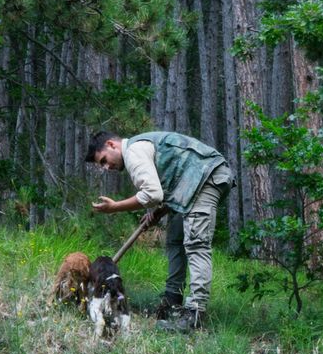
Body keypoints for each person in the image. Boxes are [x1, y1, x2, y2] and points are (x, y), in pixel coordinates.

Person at [85, 130, 233, 330]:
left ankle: (194, 315)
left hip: (206, 176)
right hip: (191, 183)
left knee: (196, 244)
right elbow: (164, 188)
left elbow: (152, 194)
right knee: (175, 240)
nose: (106, 167)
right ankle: (172, 303)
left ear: (112, 145)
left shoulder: (133, 152)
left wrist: (115, 207)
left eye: (103, 160)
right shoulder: (138, 149)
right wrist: (158, 213)